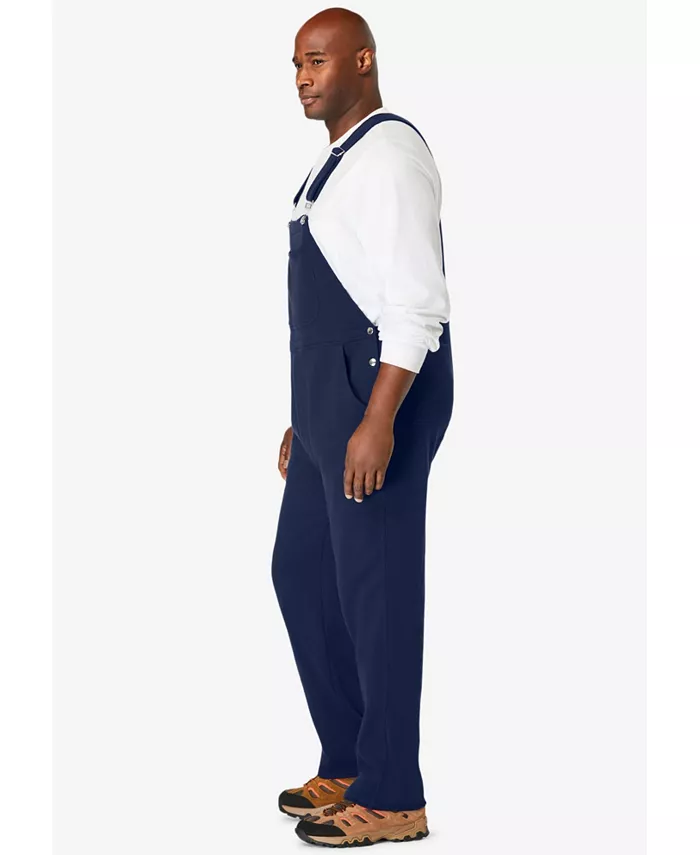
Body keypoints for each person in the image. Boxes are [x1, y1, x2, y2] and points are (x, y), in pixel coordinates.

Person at [271, 7, 454, 847]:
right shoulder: (334, 163)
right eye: (296, 64)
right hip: (329, 405)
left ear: (363, 62)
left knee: (377, 594)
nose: (303, 77)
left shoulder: (390, 156)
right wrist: (306, 417)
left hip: (383, 395)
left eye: (317, 60)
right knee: (303, 574)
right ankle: (349, 758)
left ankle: (393, 793)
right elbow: (333, 303)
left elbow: (415, 304)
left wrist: (377, 418)